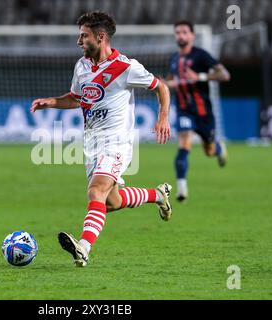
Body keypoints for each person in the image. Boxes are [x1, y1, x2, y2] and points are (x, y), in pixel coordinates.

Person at [31, 11, 173, 267]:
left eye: (84, 36)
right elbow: (77, 98)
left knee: (95, 191)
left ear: (101, 37)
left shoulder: (126, 67)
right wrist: (51, 102)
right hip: (92, 144)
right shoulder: (82, 66)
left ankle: (83, 248)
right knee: (111, 201)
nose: (79, 41)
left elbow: (161, 86)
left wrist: (163, 117)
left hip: (116, 142)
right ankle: (158, 195)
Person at [164, 21, 231, 202]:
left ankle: (218, 148)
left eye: (185, 32)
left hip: (204, 112)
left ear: (192, 35)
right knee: (184, 144)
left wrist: (200, 76)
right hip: (184, 109)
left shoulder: (201, 56)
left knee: (209, 151)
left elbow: (225, 75)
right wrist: (163, 84)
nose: (181, 35)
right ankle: (181, 189)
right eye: (178, 32)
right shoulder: (174, 59)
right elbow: (171, 80)